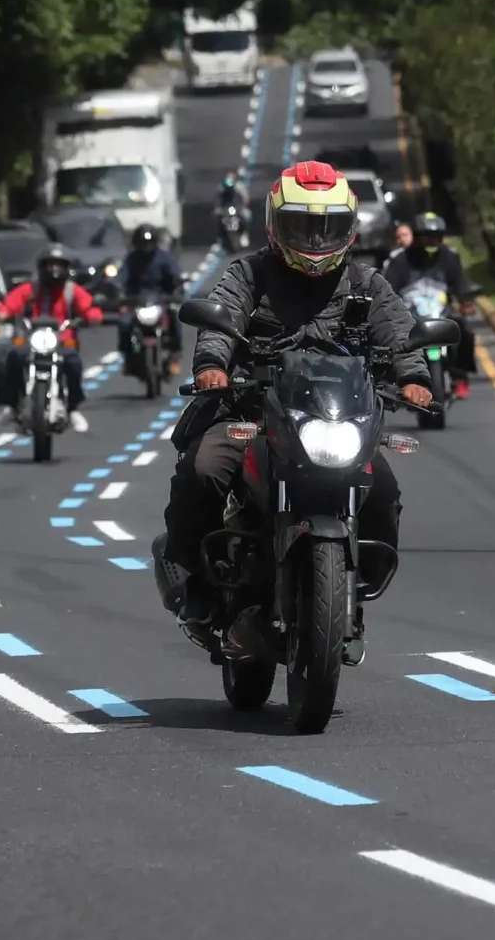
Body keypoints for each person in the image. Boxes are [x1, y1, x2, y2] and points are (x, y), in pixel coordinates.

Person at [160, 161, 434, 625]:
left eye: (327, 228)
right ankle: (196, 579)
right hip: (251, 412)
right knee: (203, 469)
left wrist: (415, 378)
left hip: (337, 420)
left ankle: (358, 579)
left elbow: (400, 332)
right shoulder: (248, 275)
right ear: (274, 224)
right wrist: (212, 367)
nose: (314, 241)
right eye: (302, 227)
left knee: (383, 488)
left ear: (348, 228)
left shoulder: (367, 285)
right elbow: (220, 321)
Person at [0, 246, 102, 422]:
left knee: (73, 363)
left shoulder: (72, 290)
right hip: (31, 339)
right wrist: (3, 313)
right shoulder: (29, 288)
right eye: (50, 265)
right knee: (14, 356)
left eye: (59, 265)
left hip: (62, 340)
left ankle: (73, 407)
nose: (54, 270)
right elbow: (10, 303)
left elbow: (89, 308)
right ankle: (12, 405)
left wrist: (92, 317)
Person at [381, 211, 478, 393]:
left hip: (441, 313)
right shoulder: (400, 260)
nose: (432, 242)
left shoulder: (450, 257)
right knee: (388, 336)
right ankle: (392, 379)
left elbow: (460, 283)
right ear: (417, 237)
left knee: (465, 332)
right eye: (427, 237)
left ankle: (459, 374)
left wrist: (466, 302)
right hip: (409, 315)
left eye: (436, 237)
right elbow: (387, 288)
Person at [117, 223, 184, 364]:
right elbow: (121, 278)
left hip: (161, 298)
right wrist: (120, 295)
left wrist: (177, 290)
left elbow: (175, 275)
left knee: (176, 318)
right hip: (137, 300)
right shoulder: (131, 259)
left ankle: (174, 353)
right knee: (124, 323)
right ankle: (128, 357)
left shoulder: (164, 258)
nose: (146, 248)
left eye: (148, 243)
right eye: (143, 244)